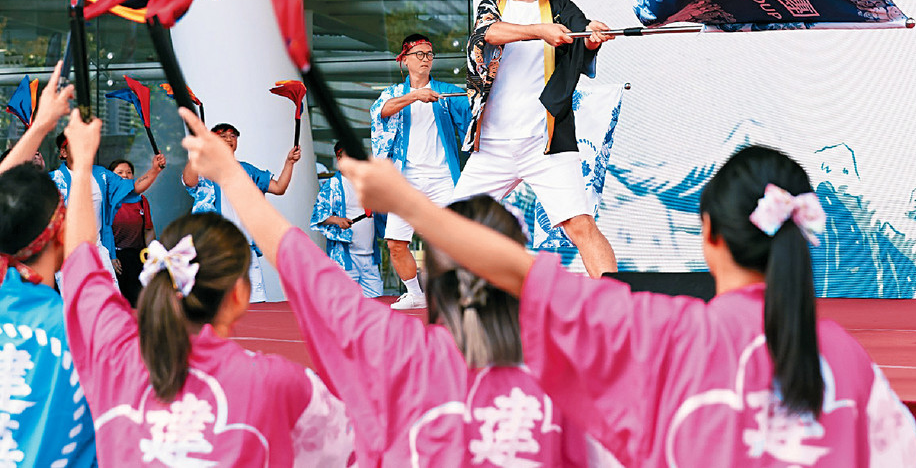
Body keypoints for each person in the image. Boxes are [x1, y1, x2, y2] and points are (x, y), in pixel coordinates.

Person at [339, 144, 916, 467]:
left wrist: (410, 206)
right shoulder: (844, 357)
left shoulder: (667, 333)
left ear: (708, 233)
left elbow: (517, 271)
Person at [178, 107, 617, 466]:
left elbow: (296, 259)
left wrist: (233, 178)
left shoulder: (393, 348)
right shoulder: (586, 369)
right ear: (525, 274)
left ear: (433, 276)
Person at [59, 109, 354, 466]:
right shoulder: (281, 382)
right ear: (238, 296)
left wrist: (82, 168)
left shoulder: (113, 356)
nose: (229, 140)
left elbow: (79, 259)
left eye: (233, 136)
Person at [453, 0, 617, 278]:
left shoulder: (560, 9)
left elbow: (582, 31)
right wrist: (540, 32)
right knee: (452, 226)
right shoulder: (491, 7)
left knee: (580, 227)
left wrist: (591, 37)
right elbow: (485, 35)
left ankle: (619, 309)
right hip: (492, 145)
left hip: (545, 143)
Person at [0, 62, 97, 467]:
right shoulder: (90, 326)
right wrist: (83, 167)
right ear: (60, 231)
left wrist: (40, 126)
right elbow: (88, 270)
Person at [370, 32, 471, 309]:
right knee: (395, 242)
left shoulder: (446, 93)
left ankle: (461, 292)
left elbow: (473, 109)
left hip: (443, 178)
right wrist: (415, 96)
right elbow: (380, 111)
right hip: (407, 180)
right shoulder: (393, 94)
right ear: (404, 60)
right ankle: (416, 294)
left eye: (429, 54)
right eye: (420, 54)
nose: (426, 59)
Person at [182, 122, 300, 303]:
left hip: (246, 246)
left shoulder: (248, 170)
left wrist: (289, 162)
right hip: (216, 246)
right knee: (221, 303)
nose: (229, 139)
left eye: (233, 136)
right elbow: (190, 181)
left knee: (256, 302)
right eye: (223, 136)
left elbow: (278, 188)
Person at [50, 130, 165, 285]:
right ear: (63, 152)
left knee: (110, 301)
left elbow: (134, 186)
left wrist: (154, 170)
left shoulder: (102, 176)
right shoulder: (53, 181)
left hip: (98, 250)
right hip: (66, 254)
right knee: (75, 306)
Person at [310, 142, 383, 297]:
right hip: (345, 258)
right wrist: (337, 220)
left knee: (377, 304)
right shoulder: (332, 185)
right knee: (345, 305)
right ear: (339, 157)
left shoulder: (368, 183)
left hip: (370, 258)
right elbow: (317, 215)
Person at [108, 158, 155, 307]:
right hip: (115, 258)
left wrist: (150, 255)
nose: (125, 175)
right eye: (119, 172)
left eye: (129, 173)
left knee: (139, 300)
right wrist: (111, 256)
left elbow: (148, 230)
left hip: (137, 256)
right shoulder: (106, 201)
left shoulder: (141, 200)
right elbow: (103, 230)